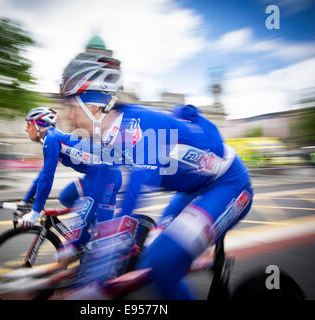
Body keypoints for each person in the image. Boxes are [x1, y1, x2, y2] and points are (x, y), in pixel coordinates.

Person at [60, 52, 253, 299]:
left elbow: (137, 187)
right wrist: (73, 244)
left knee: (161, 264)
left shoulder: (139, 125)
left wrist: (99, 275)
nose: (68, 115)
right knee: (148, 263)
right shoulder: (108, 137)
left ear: (93, 107)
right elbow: (98, 190)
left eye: (72, 106)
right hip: (191, 191)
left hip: (228, 185)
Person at [18, 106, 122, 266]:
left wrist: (35, 211)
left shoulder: (51, 139)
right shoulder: (51, 139)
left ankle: (106, 259)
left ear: (39, 125)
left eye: (28, 124)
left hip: (108, 176)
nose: (26, 129)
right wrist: (25, 202)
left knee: (100, 234)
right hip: (94, 176)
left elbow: (47, 177)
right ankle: (86, 235)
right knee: (66, 197)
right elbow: (42, 176)